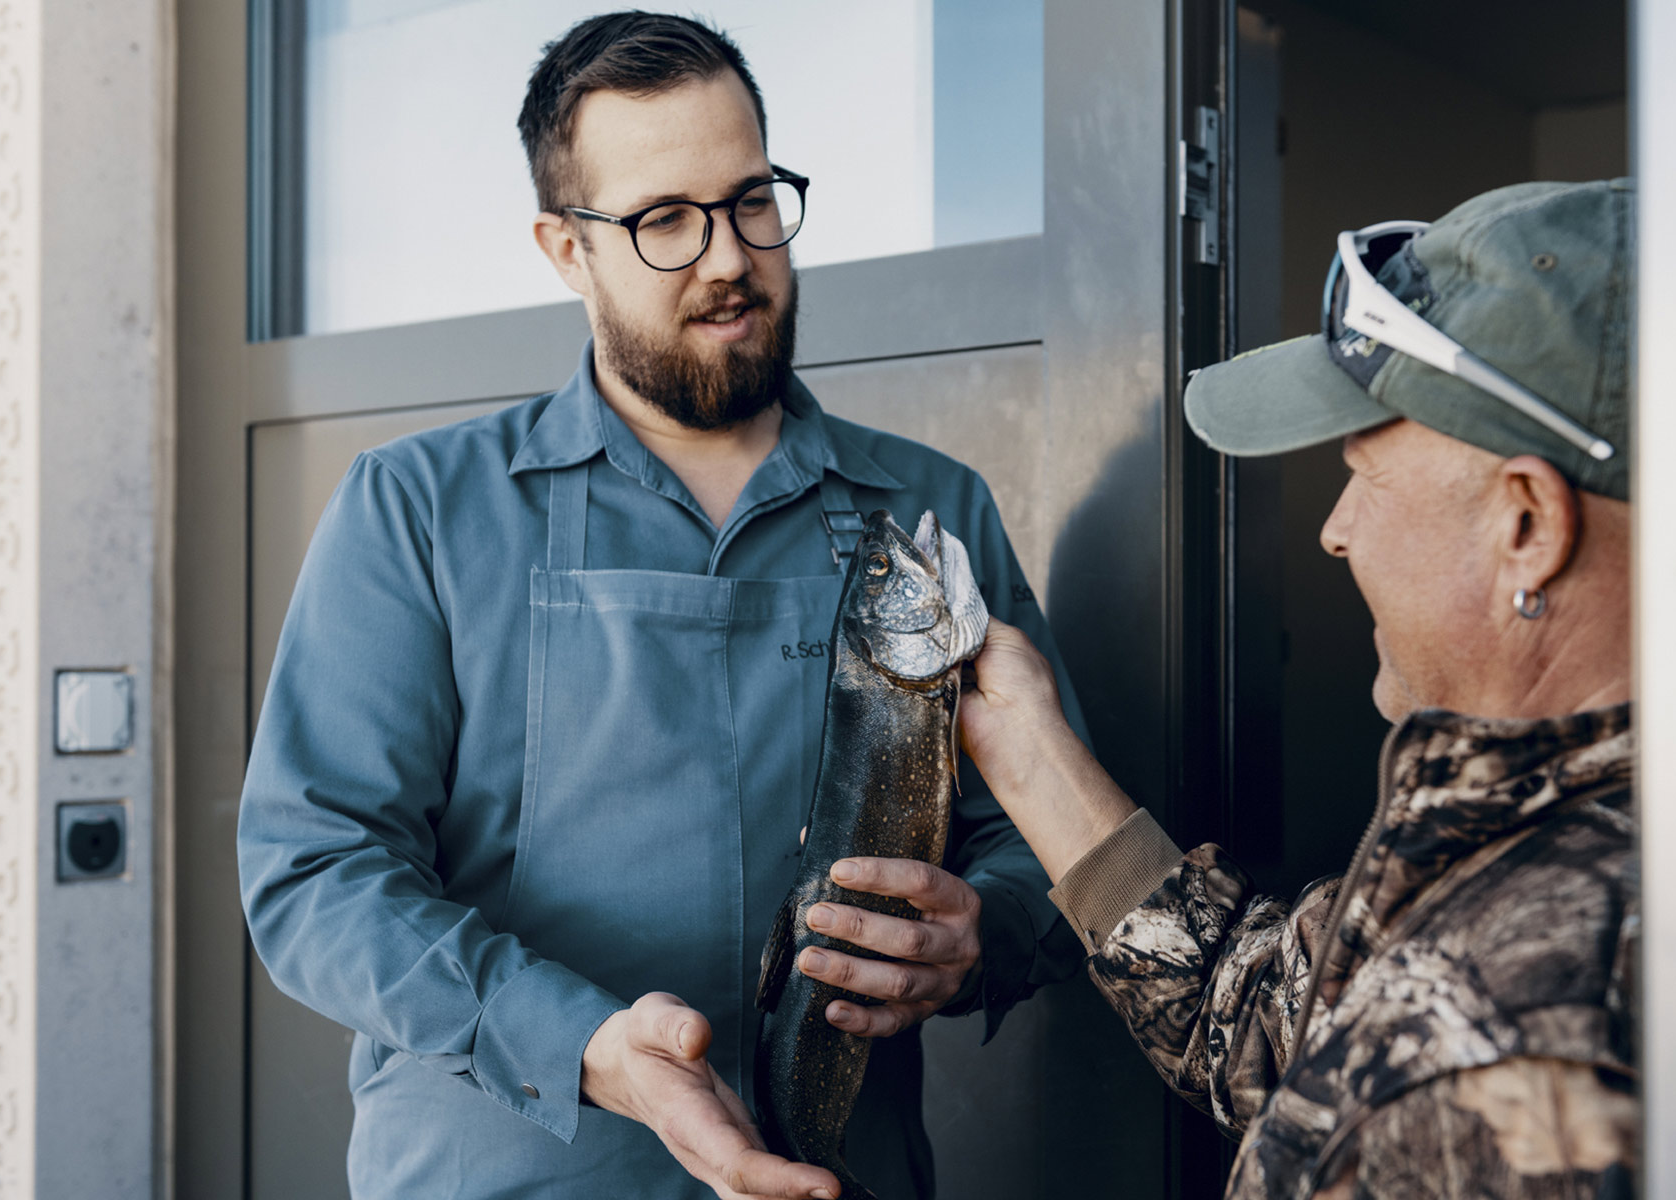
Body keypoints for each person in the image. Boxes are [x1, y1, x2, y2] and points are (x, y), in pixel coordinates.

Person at [236, 14, 1084, 1200]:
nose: (729, 256)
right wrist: (583, 1046)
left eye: (750, 201)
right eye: (663, 220)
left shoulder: (929, 515)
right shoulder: (417, 509)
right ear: (564, 249)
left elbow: (1054, 856)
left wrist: (977, 935)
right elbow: (314, 874)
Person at [880, 179, 1641, 1197]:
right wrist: (1024, 747)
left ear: (1524, 528)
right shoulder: (1565, 840)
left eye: (1364, 475)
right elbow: (1265, 1024)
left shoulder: (1513, 1046)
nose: (1334, 529)